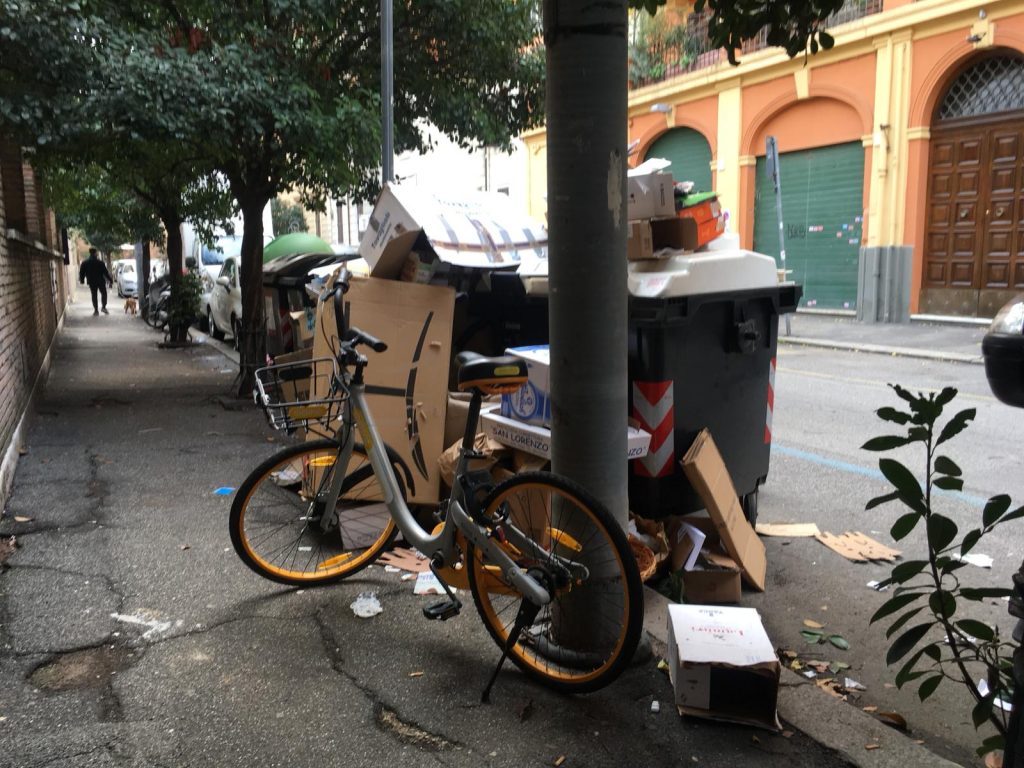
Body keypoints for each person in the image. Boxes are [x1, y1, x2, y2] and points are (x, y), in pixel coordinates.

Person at [79, 248, 114, 315]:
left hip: (91, 281)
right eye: (96, 253)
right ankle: (103, 307)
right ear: (95, 253)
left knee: (94, 295)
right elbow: (105, 272)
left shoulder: (85, 262)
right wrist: (110, 280)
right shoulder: (100, 262)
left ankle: (96, 310)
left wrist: (82, 280)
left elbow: (81, 272)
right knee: (104, 293)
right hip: (100, 281)